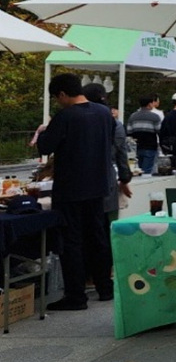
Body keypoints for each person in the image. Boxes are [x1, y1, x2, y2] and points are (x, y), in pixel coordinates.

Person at [36, 73, 118, 309]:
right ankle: (104, 286)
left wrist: (43, 131)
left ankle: (76, 295)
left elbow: (46, 147)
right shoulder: (104, 113)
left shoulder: (65, 116)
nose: (58, 102)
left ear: (62, 94)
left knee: (71, 241)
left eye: (57, 98)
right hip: (99, 184)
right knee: (97, 237)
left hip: (71, 187)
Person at [82, 83, 134, 226]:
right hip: (106, 179)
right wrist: (124, 178)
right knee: (107, 225)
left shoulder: (78, 120)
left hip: (81, 182)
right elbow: (121, 153)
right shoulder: (114, 124)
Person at [126, 95, 162, 175]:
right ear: (149, 104)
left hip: (136, 148)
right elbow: (159, 131)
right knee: (147, 171)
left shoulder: (133, 116)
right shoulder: (155, 117)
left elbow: (129, 132)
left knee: (137, 170)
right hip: (150, 146)